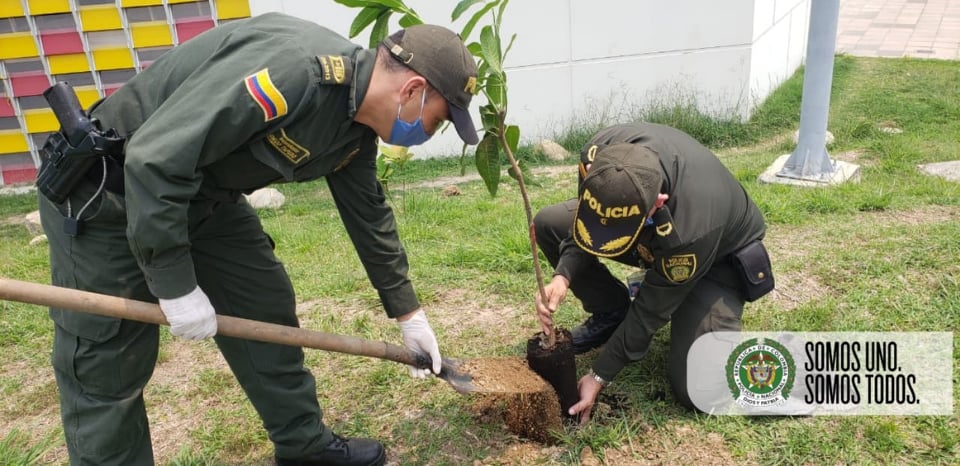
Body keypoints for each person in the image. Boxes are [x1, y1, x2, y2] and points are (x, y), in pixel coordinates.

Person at [37, 12, 479, 466]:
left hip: (202, 197)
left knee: (262, 305)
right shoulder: (296, 75)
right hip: (108, 194)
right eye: (438, 120)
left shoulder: (355, 127)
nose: (429, 133)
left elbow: (369, 215)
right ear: (412, 91)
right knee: (107, 365)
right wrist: (175, 286)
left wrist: (408, 313)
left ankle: (303, 447)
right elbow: (153, 160)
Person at [533, 122, 774, 421]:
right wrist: (563, 275)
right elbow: (588, 220)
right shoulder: (597, 155)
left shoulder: (690, 228)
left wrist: (598, 376)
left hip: (715, 260)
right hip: (651, 233)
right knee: (550, 222)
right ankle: (611, 312)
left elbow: (650, 312)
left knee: (698, 390)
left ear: (657, 201)